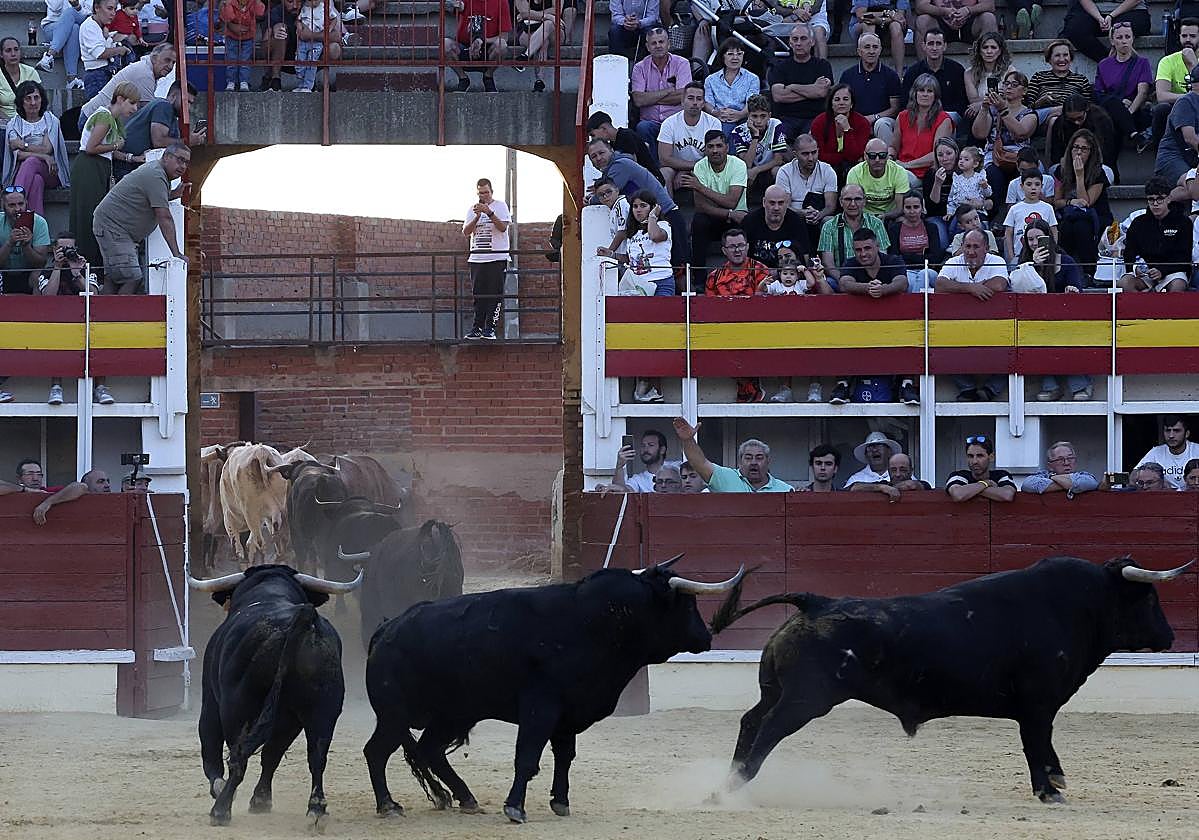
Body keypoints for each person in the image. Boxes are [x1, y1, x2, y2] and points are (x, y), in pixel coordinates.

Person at [832, 229, 920, 403]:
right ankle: (843, 384)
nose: (863, 254)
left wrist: (883, 290)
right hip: (858, 326)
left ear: (877, 246)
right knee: (839, 335)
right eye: (858, 250)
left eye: (867, 248)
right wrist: (869, 288)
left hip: (894, 324)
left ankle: (906, 384)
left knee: (909, 335)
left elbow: (902, 282)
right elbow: (844, 283)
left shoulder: (893, 260)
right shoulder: (850, 263)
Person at [92, 142, 189, 298]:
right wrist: (177, 254)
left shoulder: (158, 174)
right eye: (180, 160)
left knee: (115, 277)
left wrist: (172, 194)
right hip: (114, 228)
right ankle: (118, 317)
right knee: (132, 278)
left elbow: (151, 197)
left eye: (186, 162)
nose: (183, 166)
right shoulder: (156, 175)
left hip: (116, 228)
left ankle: (103, 317)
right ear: (166, 157)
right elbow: (164, 217)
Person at [68, 81, 140, 268]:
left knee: (94, 217)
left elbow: (106, 150)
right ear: (120, 99)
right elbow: (92, 147)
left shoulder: (111, 119)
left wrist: (132, 158)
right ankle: (85, 265)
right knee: (88, 218)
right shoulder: (104, 116)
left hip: (97, 168)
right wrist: (117, 145)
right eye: (132, 103)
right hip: (89, 168)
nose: (135, 108)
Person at [587, 137, 688, 269]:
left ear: (611, 150)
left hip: (666, 216)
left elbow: (607, 193)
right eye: (594, 156)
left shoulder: (620, 165)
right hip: (655, 218)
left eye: (601, 153)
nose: (598, 158)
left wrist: (590, 199)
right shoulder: (613, 169)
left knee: (678, 268)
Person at [934, 230, 1009, 400]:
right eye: (967, 246)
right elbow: (939, 285)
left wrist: (959, 288)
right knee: (940, 344)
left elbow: (999, 284)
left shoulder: (996, 260)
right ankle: (967, 388)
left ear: (986, 248)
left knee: (1012, 350)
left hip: (994, 325)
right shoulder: (954, 262)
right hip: (958, 325)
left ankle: (991, 389)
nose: (971, 251)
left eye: (976, 246)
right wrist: (971, 288)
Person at [684, 130, 748, 275]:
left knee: (748, 222)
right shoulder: (700, 166)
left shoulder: (738, 165)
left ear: (727, 147)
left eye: (719, 146)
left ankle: (748, 276)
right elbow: (700, 206)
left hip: (739, 218)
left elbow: (732, 201)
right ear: (705, 149)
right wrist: (730, 214)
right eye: (710, 146)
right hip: (718, 217)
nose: (715, 150)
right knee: (699, 221)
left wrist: (700, 188)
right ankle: (699, 279)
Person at [2, 81, 69, 217]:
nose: (33, 102)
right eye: (28, 98)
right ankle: (32, 226)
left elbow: (46, 149)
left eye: (36, 97)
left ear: (42, 99)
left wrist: (23, 145)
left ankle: (14, 203)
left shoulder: (50, 120)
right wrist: (43, 157)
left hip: (51, 171)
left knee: (31, 161)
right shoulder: (14, 123)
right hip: (23, 171)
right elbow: (18, 155)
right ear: (21, 102)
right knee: (36, 181)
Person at [673, 416, 793, 492]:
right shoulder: (727, 478)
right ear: (740, 461)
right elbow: (699, 463)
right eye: (748, 457)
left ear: (768, 461)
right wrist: (688, 440)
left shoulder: (785, 490)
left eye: (759, 458)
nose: (753, 462)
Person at [971, 68, 1037, 206]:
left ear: (1024, 91)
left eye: (1014, 85)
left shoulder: (1029, 113)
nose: (1009, 87)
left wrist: (1003, 110)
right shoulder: (992, 110)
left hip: (1019, 157)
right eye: (1006, 84)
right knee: (993, 175)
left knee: (1029, 173)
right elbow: (979, 134)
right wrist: (984, 108)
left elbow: (1021, 134)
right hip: (994, 156)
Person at [1118, 176, 1193, 294]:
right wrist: (1135, 268)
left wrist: (1162, 271)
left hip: (1173, 272)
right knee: (1125, 283)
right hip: (1146, 273)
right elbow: (1129, 254)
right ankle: (1141, 310)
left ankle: (1169, 312)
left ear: (1169, 198)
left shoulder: (1183, 222)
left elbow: (1184, 258)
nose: (1155, 203)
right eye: (1151, 199)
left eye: (1160, 199)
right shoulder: (1138, 223)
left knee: (1178, 284)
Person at [117, 80, 203, 181]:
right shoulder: (164, 106)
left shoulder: (167, 112)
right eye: (186, 101)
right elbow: (159, 141)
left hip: (130, 165)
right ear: (173, 96)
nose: (188, 107)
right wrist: (187, 141)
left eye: (190, 103)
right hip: (125, 166)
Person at [79, 42, 175, 130]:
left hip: (98, 119)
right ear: (154, 58)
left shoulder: (146, 69)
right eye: (167, 60)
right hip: (92, 120)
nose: (170, 66)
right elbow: (149, 113)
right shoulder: (145, 73)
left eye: (173, 63)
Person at [629, 26, 691, 162]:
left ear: (668, 44)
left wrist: (650, 97)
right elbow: (638, 100)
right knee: (642, 127)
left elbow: (683, 96)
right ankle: (654, 172)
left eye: (661, 42)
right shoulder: (639, 67)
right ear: (647, 46)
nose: (658, 46)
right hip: (651, 123)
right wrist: (669, 91)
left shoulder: (682, 63)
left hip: (676, 121)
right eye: (654, 43)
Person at [1052, 127, 1110, 268]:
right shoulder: (1061, 170)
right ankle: (1064, 270)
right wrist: (1071, 201)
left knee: (1081, 227)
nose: (1078, 152)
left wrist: (1079, 176)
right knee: (1066, 227)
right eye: (1076, 147)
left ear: (1091, 152)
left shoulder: (1098, 173)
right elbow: (1057, 202)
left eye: (1084, 149)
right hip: (1070, 215)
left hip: (1095, 216)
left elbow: (1086, 203)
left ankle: (1089, 271)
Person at [462, 177, 510, 340]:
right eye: (481, 193)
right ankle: (477, 328)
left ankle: (490, 328)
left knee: (494, 294)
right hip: (477, 258)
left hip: (496, 257)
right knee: (479, 295)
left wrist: (488, 212)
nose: (484, 196)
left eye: (486, 192)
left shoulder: (500, 206)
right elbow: (466, 232)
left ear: (491, 191)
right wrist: (477, 216)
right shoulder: (472, 209)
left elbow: (503, 227)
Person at [1095, 20, 1152, 156]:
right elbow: (1099, 94)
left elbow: (1143, 92)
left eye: (1127, 37)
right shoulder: (1104, 64)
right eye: (1119, 38)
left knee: (1115, 124)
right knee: (1112, 104)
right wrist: (1120, 107)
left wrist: (1127, 113)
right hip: (1111, 109)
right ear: (1113, 41)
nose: (1124, 41)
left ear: (1132, 39)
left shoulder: (1142, 62)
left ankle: (1112, 170)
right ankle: (1135, 136)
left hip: (1133, 110)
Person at [767, 23, 834, 139]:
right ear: (790, 42)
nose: (798, 43)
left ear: (812, 42)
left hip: (815, 118)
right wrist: (812, 90)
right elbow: (778, 96)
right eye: (795, 39)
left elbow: (821, 92)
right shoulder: (779, 67)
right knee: (778, 139)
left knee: (812, 138)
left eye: (803, 39)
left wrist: (792, 87)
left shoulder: (822, 65)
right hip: (786, 119)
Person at [658, 83, 721, 199]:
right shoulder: (669, 123)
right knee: (665, 173)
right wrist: (685, 169)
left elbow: (714, 156)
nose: (695, 102)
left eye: (699, 99)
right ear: (682, 101)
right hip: (676, 168)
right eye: (691, 98)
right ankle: (669, 213)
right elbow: (664, 158)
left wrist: (689, 171)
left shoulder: (713, 123)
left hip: (705, 167)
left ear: (703, 103)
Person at [774, 132, 838, 247]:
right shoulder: (784, 172)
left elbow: (830, 206)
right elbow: (784, 205)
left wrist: (818, 214)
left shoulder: (827, 170)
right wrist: (803, 214)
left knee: (829, 221)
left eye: (814, 153)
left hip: (818, 215)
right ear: (795, 154)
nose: (811, 158)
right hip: (793, 216)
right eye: (805, 154)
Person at [817, 182, 890, 282]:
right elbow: (828, 264)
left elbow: (883, 256)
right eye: (848, 199)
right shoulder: (829, 226)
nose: (852, 204)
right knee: (828, 282)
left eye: (857, 199)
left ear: (864, 201)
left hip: (872, 278)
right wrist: (845, 281)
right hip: (841, 278)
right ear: (841, 202)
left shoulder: (876, 223)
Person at [891, 74, 954, 188]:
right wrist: (889, 158)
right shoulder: (902, 116)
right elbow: (894, 147)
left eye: (929, 91)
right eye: (921, 90)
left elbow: (936, 155)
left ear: (935, 96)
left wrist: (906, 165)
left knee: (898, 180)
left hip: (924, 173)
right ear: (914, 93)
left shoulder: (943, 120)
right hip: (901, 168)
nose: (925, 94)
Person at [838, 32, 901, 145]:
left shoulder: (891, 76)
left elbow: (895, 109)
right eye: (867, 47)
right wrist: (860, 121)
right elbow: (841, 105)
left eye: (875, 47)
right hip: (855, 120)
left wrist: (873, 118)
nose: (871, 51)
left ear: (880, 50)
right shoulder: (848, 75)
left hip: (882, 120)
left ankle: (889, 159)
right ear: (859, 51)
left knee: (881, 124)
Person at [1148, 18, 1199, 154]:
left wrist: (1194, 66)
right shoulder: (1167, 61)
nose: (1188, 40)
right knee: (1161, 110)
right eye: (1184, 36)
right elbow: (1162, 96)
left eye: (1193, 36)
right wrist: (1188, 99)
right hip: (1176, 109)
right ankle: (1161, 157)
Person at [1025, 39, 1092, 138]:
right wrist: (1042, 101)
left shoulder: (1081, 80)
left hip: (1074, 119)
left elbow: (1088, 107)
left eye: (1065, 55)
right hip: (1045, 120)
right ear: (1049, 59)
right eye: (1057, 55)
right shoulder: (1039, 77)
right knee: (1055, 120)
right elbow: (1028, 108)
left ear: (1071, 58)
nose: (1062, 59)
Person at [901, 28, 968, 127]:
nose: (934, 48)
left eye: (938, 44)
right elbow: (906, 102)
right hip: (920, 116)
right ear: (924, 46)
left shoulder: (957, 70)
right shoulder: (913, 72)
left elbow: (962, 103)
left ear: (945, 46)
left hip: (948, 116)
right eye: (931, 44)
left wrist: (937, 114)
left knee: (947, 118)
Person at [616, 188, 675, 299]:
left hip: (661, 281)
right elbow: (631, 259)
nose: (638, 210)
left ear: (653, 207)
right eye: (635, 206)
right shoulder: (632, 233)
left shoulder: (663, 225)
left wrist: (653, 216)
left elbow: (655, 236)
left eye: (643, 206)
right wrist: (611, 254)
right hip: (638, 284)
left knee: (660, 315)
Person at [443, 0, 510, 92]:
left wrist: (482, 40)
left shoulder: (501, 2)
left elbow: (504, 37)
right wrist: (456, 6)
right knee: (444, 44)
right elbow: (455, 5)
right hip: (465, 47)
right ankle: (463, 79)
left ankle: (488, 77)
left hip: (488, 48)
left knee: (502, 45)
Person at [1046, 95, 1117, 181]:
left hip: (1095, 164)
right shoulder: (1060, 123)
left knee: (1106, 172)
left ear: (1086, 110)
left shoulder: (1101, 121)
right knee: (1053, 171)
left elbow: (1108, 152)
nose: (1076, 122)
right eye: (1071, 120)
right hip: (1069, 165)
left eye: (1080, 118)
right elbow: (1056, 153)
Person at [809, 83, 871, 179]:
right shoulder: (819, 122)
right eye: (837, 99)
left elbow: (855, 155)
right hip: (825, 169)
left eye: (845, 99)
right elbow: (819, 155)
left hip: (853, 169)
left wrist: (847, 129)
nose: (841, 103)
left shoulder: (862, 123)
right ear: (831, 104)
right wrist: (843, 158)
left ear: (852, 104)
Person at [1058, 0, 1150, 65]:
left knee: (1124, 29)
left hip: (1130, 9)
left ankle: (1127, 64)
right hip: (1093, 11)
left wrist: (1111, 16)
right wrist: (1099, 18)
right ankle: (1108, 62)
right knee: (1075, 30)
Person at [742, 184, 811, 268]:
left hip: (787, 276)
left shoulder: (797, 222)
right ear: (764, 202)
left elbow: (805, 257)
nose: (776, 208)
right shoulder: (750, 221)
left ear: (787, 204)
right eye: (772, 203)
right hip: (756, 274)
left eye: (781, 203)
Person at [886, 191, 943, 291]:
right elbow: (894, 257)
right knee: (914, 283)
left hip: (928, 271)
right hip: (906, 271)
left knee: (923, 274)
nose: (912, 211)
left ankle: (913, 306)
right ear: (903, 209)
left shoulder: (931, 227)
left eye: (916, 207)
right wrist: (922, 258)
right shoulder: (894, 229)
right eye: (908, 207)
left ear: (922, 208)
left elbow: (936, 258)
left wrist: (907, 257)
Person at [0, 185, 51, 294]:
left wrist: (26, 246)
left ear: (26, 203)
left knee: (38, 275)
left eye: (20, 204)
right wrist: (9, 243)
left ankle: (37, 309)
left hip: (28, 273)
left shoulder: (39, 223)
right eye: (12, 205)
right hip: (3, 272)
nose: (18, 209)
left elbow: (41, 262)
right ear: (3, 205)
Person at [586, 110, 662, 182]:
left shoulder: (626, 135)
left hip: (652, 179)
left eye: (593, 135)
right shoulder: (613, 143)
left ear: (603, 128)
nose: (593, 139)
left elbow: (631, 165)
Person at [731, 94, 788, 191]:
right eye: (754, 116)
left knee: (777, 171)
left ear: (769, 116)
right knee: (743, 173)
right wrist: (755, 136)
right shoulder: (738, 131)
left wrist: (757, 170)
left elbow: (778, 160)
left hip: (769, 168)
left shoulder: (776, 125)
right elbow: (747, 164)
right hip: (750, 170)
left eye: (763, 116)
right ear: (748, 116)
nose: (759, 121)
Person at [703, 39, 759, 135]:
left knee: (741, 131)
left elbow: (752, 102)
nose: (735, 58)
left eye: (739, 54)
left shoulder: (752, 78)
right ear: (722, 56)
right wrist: (716, 113)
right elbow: (708, 103)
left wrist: (740, 114)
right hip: (720, 117)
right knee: (724, 129)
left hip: (744, 117)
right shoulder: (711, 79)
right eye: (730, 54)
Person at [1003, 170, 1058, 265]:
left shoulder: (1048, 208)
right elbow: (1008, 233)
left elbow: (1054, 231)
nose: (1033, 188)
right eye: (1029, 184)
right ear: (1021, 186)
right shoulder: (1014, 209)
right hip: (1019, 255)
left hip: (1043, 254)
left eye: (1037, 184)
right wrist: (1011, 256)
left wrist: (1053, 250)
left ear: (1042, 186)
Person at [846, 137, 909, 220]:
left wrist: (884, 216)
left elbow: (899, 208)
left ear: (887, 156)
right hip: (863, 217)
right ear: (865, 156)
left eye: (882, 155)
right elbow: (853, 204)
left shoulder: (899, 172)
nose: (877, 160)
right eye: (872, 156)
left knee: (902, 220)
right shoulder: (855, 173)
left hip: (890, 216)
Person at [1155, 69, 1199, 187]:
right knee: (1194, 185)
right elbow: (1190, 139)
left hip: (1193, 158)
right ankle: (1165, 202)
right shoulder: (1186, 102)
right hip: (1174, 157)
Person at [80, 0, 130, 99]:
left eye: (115, 9)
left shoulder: (102, 26)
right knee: (99, 111)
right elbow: (100, 53)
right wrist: (120, 50)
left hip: (106, 72)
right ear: (97, 8)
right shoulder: (89, 26)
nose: (113, 13)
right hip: (96, 76)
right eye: (109, 8)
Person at [945, 435, 1017, 502]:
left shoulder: (1001, 475)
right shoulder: (958, 475)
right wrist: (987, 483)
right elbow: (958, 495)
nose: (974, 461)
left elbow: (1007, 495)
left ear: (991, 457)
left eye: (980, 456)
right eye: (970, 456)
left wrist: (970, 490)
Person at [37, 0, 89, 91]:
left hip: (81, 22)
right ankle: (71, 80)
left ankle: (49, 56)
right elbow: (55, 7)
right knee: (74, 28)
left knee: (71, 13)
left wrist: (77, 6)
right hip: (53, 27)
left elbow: (89, 14)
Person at [295, 0, 345, 94]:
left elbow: (334, 18)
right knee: (300, 63)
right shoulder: (304, 7)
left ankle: (307, 86)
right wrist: (299, 26)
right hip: (303, 42)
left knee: (311, 64)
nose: (313, 2)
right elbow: (299, 19)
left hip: (316, 42)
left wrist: (329, 29)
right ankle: (301, 85)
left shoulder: (324, 7)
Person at [32, 467, 112, 525]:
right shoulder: (77, 491)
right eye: (100, 482)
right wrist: (47, 503)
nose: (107, 485)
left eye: (108, 481)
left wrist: (48, 502)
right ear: (87, 486)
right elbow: (81, 487)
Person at [913, 2, 997, 56]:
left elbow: (989, 5)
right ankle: (924, 71)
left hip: (971, 23)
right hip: (940, 24)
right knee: (922, 21)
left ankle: (988, 72)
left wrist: (969, 10)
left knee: (989, 18)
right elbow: (920, 6)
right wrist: (943, 11)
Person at [848, 0, 907, 75]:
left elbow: (900, 17)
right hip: (862, 25)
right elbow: (861, 15)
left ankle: (899, 75)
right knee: (869, 24)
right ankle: (869, 72)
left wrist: (881, 20)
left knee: (896, 26)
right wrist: (887, 13)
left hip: (888, 25)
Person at [964, 32, 1011, 124]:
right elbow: (973, 101)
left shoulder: (1010, 71)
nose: (989, 51)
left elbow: (1008, 99)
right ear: (979, 51)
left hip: (1003, 113)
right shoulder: (969, 73)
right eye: (985, 47)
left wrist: (981, 103)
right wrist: (987, 102)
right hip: (982, 115)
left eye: (993, 47)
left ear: (1000, 51)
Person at [1021, 441, 1099, 496]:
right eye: (1060, 459)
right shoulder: (1042, 476)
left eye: (1070, 458)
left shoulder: (1084, 476)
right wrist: (1068, 485)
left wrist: (1053, 477)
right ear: (1050, 466)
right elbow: (1026, 485)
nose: (1066, 463)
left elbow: (1090, 483)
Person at [220, 0, 265, 91]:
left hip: (248, 36)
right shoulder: (230, 2)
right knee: (231, 59)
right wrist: (227, 4)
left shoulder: (252, 2)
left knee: (245, 60)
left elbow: (260, 12)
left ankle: (244, 81)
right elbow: (228, 17)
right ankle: (231, 82)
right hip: (232, 36)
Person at [611, 429, 675, 492]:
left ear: (662, 450)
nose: (645, 449)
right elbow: (621, 492)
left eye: (651, 445)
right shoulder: (638, 479)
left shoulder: (676, 468)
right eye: (643, 445)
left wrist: (685, 439)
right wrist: (619, 466)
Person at [923, 136, 958, 247]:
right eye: (940, 155)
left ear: (956, 153)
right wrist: (937, 183)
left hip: (958, 215)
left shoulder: (963, 173)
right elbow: (931, 206)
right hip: (937, 215)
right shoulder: (930, 174)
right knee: (942, 243)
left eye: (949, 153)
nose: (945, 158)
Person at [0, 37, 41, 127]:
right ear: (1, 55)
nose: (13, 54)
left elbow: (40, 99)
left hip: (30, 120)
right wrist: (12, 123)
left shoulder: (31, 72)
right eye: (8, 51)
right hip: (5, 122)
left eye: (16, 49)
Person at [946, 145, 991, 220]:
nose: (961, 161)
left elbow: (988, 194)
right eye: (960, 159)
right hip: (960, 213)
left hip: (977, 212)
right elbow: (951, 197)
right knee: (953, 228)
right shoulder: (957, 178)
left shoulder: (980, 177)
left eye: (966, 159)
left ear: (975, 164)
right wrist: (950, 212)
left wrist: (985, 186)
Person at [593, 177, 631, 262]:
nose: (605, 196)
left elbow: (622, 232)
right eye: (601, 195)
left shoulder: (621, 204)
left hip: (628, 254)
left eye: (608, 192)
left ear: (617, 190)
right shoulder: (614, 208)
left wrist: (609, 253)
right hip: (622, 255)